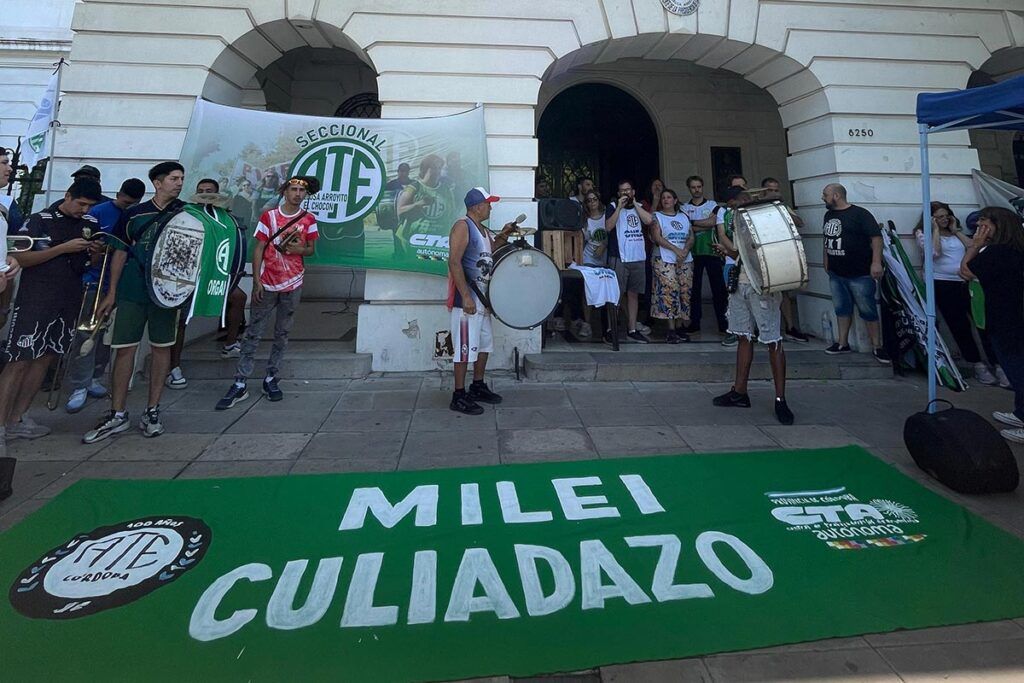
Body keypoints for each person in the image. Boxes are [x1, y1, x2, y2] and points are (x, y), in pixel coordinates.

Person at [84, 162, 186, 443]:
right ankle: (117, 412)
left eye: (181, 179)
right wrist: (112, 292)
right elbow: (118, 253)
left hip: (167, 293)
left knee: (161, 348)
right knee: (124, 348)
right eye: (174, 178)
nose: (179, 183)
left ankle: (152, 410)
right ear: (157, 182)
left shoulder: (186, 213)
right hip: (132, 289)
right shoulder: (133, 214)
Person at [0, 179, 100, 449]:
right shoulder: (40, 220)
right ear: (68, 196)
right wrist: (62, 249)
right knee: (20, 359)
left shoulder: (90, 223)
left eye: (89, 205)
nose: (84, 209)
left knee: (45, 357)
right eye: (81, 204)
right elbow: (18, 257)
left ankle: (18, 418)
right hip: (36, 298)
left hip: (69, 298)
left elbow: (92, 263)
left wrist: (95, 252)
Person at [216, 176, 320, 410]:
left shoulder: (309, 219)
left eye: (301, 191)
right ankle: (240, 382)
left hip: (293, 282)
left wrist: (299, 249)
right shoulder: (269, 217)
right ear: (285, 192)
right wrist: (256, 281)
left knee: (282, 332)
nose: (297, 194)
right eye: (293, 190)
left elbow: (311, 250)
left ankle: (272, 377)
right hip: (268, 282)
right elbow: (259, 247)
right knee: (254, 332)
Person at [711, 189, 794, 425]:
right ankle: (739, 392)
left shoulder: (765, 218)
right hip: (741, 283)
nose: (731, 208)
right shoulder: (737, 219)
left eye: (734, 204)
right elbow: (742, 253)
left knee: (772, 340)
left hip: (763, 286)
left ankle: (780, 399)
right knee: (742, 336)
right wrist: (727, 251)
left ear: (742, 200)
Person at [64, 178, 146, 413]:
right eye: (123, 201)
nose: (126, 205)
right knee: (85, 332)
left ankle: (96, 376)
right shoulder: (98, 211)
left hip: (120, 283)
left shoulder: (135, 215)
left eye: (131, 203)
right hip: (94, 279)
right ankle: (79, 384)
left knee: (107, 336)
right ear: (118, 193)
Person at [914, 201, 1004, 386]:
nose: (944, 219)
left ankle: (997, 363)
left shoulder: (955, 233)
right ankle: (977, 364)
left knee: (983, 324)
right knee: (959, 325)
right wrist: (935, 230)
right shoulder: (923, 233)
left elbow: (974, 247)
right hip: (943, 284)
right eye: (939, 217)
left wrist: (955, 230)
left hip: (967, 282)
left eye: (946, 215)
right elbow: (934, 253)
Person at [446, 187, 517, 415]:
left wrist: (504, 234)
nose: (491, 206)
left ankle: (477, 386)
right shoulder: (462, 226)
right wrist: (466, 295)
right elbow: (454, 262)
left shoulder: (483, 230)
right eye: (488, 203)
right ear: (477, 206)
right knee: (464, 348)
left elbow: (489, 251)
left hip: (483, 300)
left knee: (484, 344)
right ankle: (458, 395)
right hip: (467, 301)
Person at [960, 207, 1024, 444]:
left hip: (1007, 318)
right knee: (1014, 366)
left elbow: (965, 271)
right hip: (1005, 315)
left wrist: (974, 246)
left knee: (1016, 367)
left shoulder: (999, 251)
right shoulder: (1010, 250)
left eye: (984, 223)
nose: (979, 228)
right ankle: (1020, 412)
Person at [821, 183, 889, 363]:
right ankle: (842, 343)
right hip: (837, 271)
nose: (823, 197)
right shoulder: (829, 215)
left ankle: (877, 345)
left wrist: (876, 262)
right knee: (841, 308)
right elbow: (827, 239)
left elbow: (876, 237)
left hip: (859, 271)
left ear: (836, 195)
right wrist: (826, 260)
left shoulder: (860, 214)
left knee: (867, 309)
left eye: (825, 194)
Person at [761, 177, 810, 343]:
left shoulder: (783, 206)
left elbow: (799, 223)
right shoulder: (756, 206)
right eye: (770, 190)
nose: (774, 193)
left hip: (780, 253)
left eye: (776, 190)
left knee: (784, 292)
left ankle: (790, 327)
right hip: (762, 253)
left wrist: (782, 208)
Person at [605, 179, 654, 343]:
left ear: (633, 192)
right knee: (616, 295)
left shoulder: (640, 206)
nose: (625, 193)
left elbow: (648, 221)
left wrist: (635, 206)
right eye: (622, 191)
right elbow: (608, 227)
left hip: (638, 257)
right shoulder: (612, 207)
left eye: (628, 190)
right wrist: (619, 207)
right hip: (619, 257)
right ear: (618, 194)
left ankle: (632, 329)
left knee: (633, 294)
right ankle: (611, 328)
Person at [681, 175, 729, 337]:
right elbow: (686, 228)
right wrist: (704, 223)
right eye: (693, 187)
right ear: (689, 188)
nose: (697, 189)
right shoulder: (684, 208)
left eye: (699, 186)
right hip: (693, 253)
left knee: (719, 290)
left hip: (712, 251)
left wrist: (693, 223)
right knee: (694, 291)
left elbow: (714, 222)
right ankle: (695, 323)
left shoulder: (713, 205)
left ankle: (723, 324)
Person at [648, 188, 694, 343]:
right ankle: (671, 328)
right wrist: (676, 250)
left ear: (675, 200)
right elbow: (656, 237)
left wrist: (685, 250)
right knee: (669, 291)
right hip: (664, 259)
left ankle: (681, 326)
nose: (666, 200)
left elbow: (691, 236)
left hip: (685, 259)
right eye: (663, 198)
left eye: (669, 197)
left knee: (684, 291)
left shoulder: (683, 216)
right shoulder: (657, 216)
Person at [564, 189, 608, 338]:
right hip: (589, 258)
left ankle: (608, 326)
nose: (592, 203)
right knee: (587, 291)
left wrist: (604, 245)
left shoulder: (607, 216)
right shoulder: (585, 220)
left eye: (594, 199)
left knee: (606, 292)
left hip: (605, 259)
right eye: (589, 200)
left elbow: (612, 232)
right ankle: (587, 323)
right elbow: (582, 240)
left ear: (599, 200)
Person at [397, 154, 455, 252]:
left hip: (437, 242)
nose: (438, 171)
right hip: (412, 240)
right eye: (434, 168)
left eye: (439, 168)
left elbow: (452, 214)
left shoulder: (446, 190)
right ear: (426, 169)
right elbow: (400, 210)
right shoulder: (414, 187)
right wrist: (417, 205)